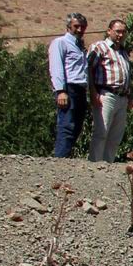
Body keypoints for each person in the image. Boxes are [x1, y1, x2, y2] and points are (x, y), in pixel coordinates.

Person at [85, 18, 133, 162]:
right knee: (102, 131)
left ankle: (107, 164)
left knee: (116, 136)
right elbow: (88, 69)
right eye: (118, 31)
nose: (121, 35)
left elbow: (127, 75)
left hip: (122, 97)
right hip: (106, 94)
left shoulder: (123, 52)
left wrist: (130, 97)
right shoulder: (99, 47)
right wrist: (93, 92)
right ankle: (95, 164)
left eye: (123, 32)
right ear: (109, 31)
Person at [47, 12, 90, 158]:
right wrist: (60, 91)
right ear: (68, 26)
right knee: (67, 125)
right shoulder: (60, 42)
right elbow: (56, 67)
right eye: (76, 26)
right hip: (68, 89)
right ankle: (60, 160)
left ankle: (66, 159)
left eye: (82, 27)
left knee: (77, 127)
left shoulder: (79, 46)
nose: (79, 29)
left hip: (80, 90)